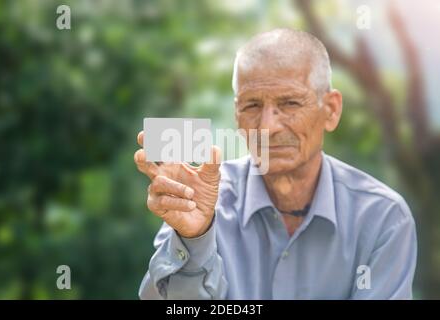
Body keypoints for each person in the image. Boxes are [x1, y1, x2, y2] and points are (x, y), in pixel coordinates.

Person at [134, 28, 417, 299]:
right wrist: (194, 238)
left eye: (291, 103)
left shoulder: (381, 217)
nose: (268, 127)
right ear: (237, 116)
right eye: (252, 106)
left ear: (331, 110)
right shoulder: (202, 201)